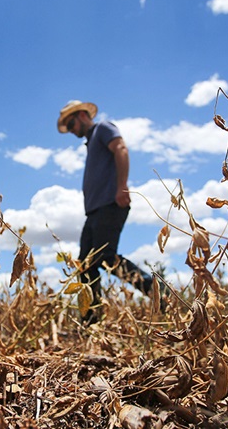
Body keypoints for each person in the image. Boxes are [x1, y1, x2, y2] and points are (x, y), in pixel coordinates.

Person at [57, 100, 159, 324]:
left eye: (72, 123)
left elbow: (121, 148)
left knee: (105, 258)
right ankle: (91, 321)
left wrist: (122, 187)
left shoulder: (103, 128)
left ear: (83, 115)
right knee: (85, 265)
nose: (72, 130)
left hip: (109, 205)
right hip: (93, 212)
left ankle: (160, 295)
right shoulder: (90, 142)